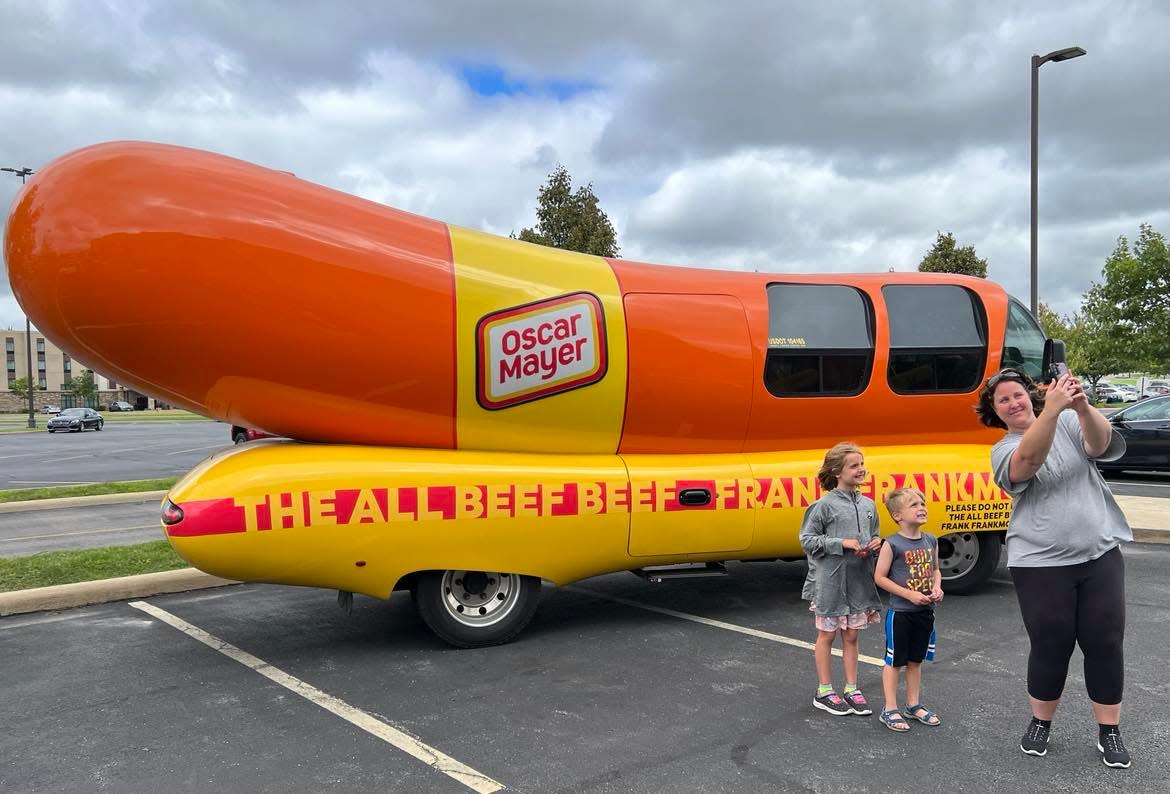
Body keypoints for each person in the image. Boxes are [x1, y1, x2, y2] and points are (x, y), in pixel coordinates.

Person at [977, 368, 1133, 769]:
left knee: (1105, 641)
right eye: (1004, 400)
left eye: (1018, 395)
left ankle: (1109, 731)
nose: (1014, 402)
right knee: (1051, 645)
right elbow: (1026, 463)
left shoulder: (1067, 419)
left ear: (1030, 396)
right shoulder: (1003, 449)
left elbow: (1100, 446)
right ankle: (1040, 723)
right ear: (996, 412)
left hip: (1099, 552)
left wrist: (1080, 404)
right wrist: (1053, 408)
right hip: (1041, 563)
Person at [799, 442, 884, 717]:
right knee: (827, 634)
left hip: (859, 581)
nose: (861, 469)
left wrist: (874, 544)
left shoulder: (869, 504)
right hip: (830, 582)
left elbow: (874, 533)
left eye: (862, 464)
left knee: (851, 636)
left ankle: (851, 688)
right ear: (837, 471)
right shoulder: (823, 506)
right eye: (854, 465)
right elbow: (807, 540)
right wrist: (842, 543)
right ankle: (824, 690)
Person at [874, 487, 942, 732]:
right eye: (914, 504)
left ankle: (913, 705)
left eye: (922, 502)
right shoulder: (892, 544)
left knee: (916, 660)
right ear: (897, 516)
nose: (921, 507)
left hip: (925, 612)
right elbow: (880, 577)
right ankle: (889, 708)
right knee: (895, 661)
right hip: (900, 614)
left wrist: (937, 587)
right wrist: (908, 595)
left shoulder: (931, 540)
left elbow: (935, 570)